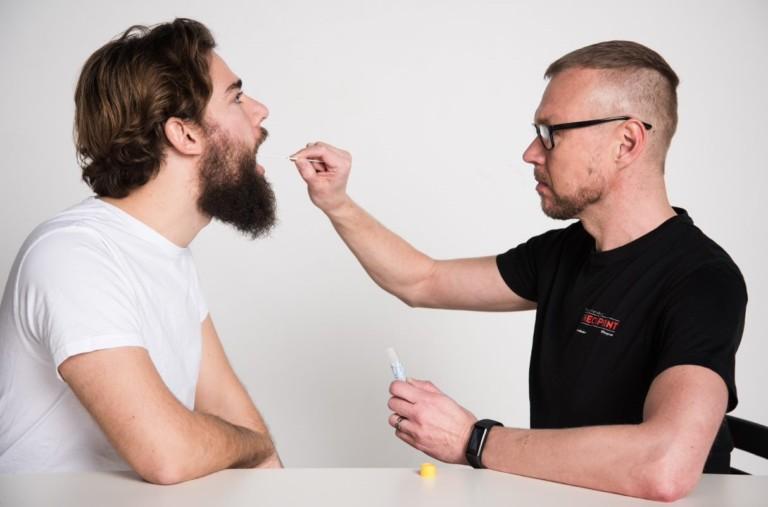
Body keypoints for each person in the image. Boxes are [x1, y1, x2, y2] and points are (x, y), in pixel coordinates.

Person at [290, 41, 747, 501]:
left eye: (551, 133)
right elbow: (420, 280)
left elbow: (664, 465)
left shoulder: (702, 280)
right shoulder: (564, 252)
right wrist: (336, 202)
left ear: (626, 142)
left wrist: (475, 440)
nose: (531, 152)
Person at [0, 18, 282, 483]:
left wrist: (258, 453)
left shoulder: (169, 258)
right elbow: (168, 454)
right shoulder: (74, 255)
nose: (260, 111)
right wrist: (251, 446)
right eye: (235, 97)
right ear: (184, 134)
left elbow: (252, 443)